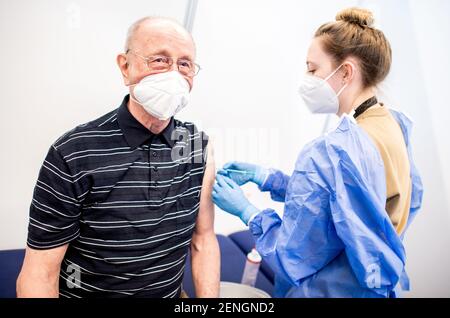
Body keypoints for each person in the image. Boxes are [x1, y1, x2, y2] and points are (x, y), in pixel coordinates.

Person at [212, 8, 423, 298]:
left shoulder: (334, 150)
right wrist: (270, 179)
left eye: (313, 69)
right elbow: (349, 201)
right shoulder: (392, 125)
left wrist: (247, 212)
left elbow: (291, 255)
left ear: (346, 72)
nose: (307, 79)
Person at [17, 17, 220, 298]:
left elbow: (203, 240)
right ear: (125, 66)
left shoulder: (196, 145)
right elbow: (40, 273)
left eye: (184, 64)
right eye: (160, 60)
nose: (174, 74)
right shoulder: (74, 153)